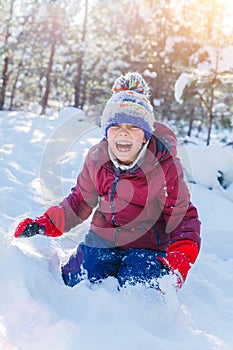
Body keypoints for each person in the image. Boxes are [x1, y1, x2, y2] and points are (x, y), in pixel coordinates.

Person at [14, 72, 201, 291]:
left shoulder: (164, 166)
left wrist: (178, 261)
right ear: (106, 132)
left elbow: (182, 218)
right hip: (104, 240)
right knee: (78, 277)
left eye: (133, 127)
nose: (124, 133)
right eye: (116, 126)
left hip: (148, 247)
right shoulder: (97, 160)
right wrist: (45, 223)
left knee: (138, 287)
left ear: (145, 136)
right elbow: (79, 202)